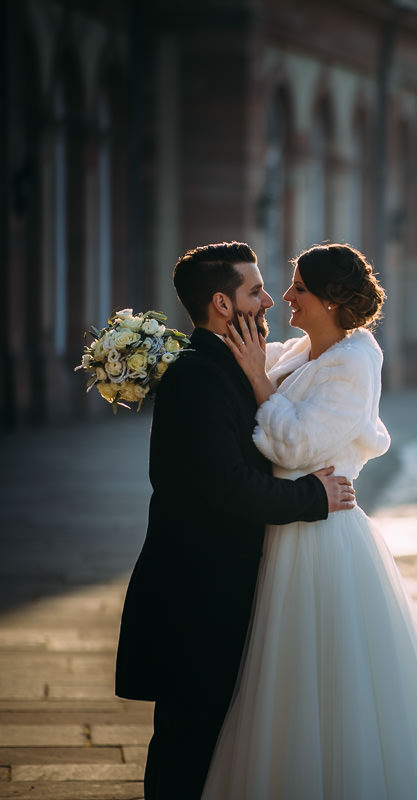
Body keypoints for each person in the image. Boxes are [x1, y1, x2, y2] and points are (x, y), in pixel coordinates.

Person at [204, 243, 417, 799]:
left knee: (327, 681)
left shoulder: (355, 363)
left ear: (331, 300)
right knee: (284, 681)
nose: (286, 297)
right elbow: (245, 359)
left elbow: (296, 446)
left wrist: (258, 380)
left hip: (321, 539)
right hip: (288, 525)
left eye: (299, 288)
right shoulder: (305, 350)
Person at [114, 242, 356, 800]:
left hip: (217, 590)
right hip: (198, 597)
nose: (270, 301)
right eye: (256, 291)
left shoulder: (231, 366)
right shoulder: (200, 377)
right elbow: (227, 485)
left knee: (208, 744)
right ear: (222, 304)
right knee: (188, 745)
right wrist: (312, 498)